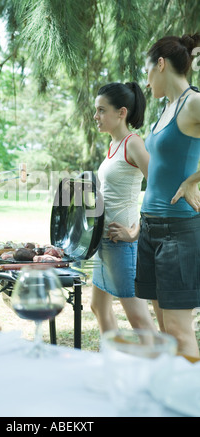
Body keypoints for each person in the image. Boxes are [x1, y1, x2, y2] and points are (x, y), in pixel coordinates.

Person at [136, 33, 200, 357]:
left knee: (178, 330)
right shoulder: (166, 109)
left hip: (178, 230)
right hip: (150, 228)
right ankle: (174, 399)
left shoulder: (193, 102)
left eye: (148, 71)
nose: (147, 81)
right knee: (165, 331)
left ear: (160, 64)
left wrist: (194, 181)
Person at [91, 81, 156, 337]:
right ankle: (112, 362)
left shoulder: (133, 143)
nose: (96, 116)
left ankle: (159, 372)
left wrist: (136, 232)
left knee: (138, 318)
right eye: (96, 111)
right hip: (104, 242)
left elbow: (158, 188)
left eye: (101, 110)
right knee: (98, 307)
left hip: (123, 244)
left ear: (122, 112)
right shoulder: (113, 146)